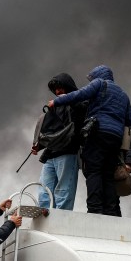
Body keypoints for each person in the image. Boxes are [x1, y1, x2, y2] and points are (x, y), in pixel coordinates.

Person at [48, 65, 131, 216]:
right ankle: (109, 212)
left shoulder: (100, 83)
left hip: (97, 133)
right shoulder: (123, 94)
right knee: (108, 175)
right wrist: (130, 157)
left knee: (94, 171)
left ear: (98, 76)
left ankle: (94, 210)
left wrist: (56, 102)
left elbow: (81, 94)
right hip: (115, 138)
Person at [32, 73, 87, 210]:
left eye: (60, 88)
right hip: (51, 154)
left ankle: (61, 220)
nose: (57, 92)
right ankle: (44, 216)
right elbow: (51, 131)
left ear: (68, 86)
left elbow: (80, 119)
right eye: (55, 90)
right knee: (44, 190)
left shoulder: (80, 102)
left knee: (64, 191)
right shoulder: (53, 107)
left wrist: (68, 100)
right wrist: (39, 146)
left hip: (69, 152)